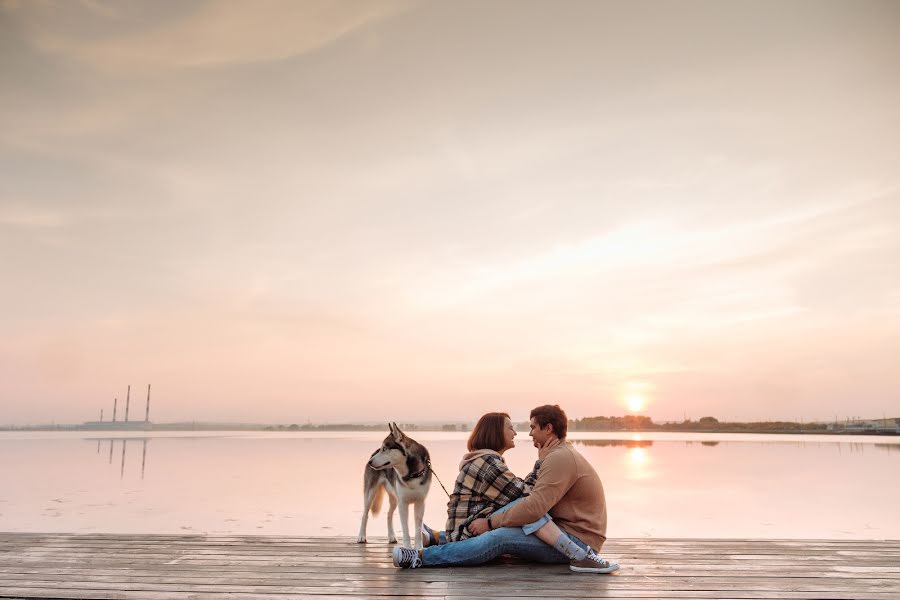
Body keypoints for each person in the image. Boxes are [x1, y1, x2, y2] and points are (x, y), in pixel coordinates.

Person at [393, 405, 618, 573]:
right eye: (515, 428)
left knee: (501, 534)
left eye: (532, 427)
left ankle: (422, 555)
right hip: (563, 532)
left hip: (579, 538)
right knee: (514, 516)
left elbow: (531, 505)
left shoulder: (559, 458)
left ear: (548, 429)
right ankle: (430, 546)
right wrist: (540, 463)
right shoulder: (552, 456)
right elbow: (526, 499)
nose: (526, 433)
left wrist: (490, 523)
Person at [421, 412, 586, 564]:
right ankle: (576, 553)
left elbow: (517, 489)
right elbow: (525, 496)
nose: (515, 433)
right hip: (468, 534)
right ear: (496, 432)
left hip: (466, 527)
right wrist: (541, 463)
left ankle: (434, 537)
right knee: (528, 507)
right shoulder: (489, 464)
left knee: (525, 508)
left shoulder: (486, 459)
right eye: (511, 428)